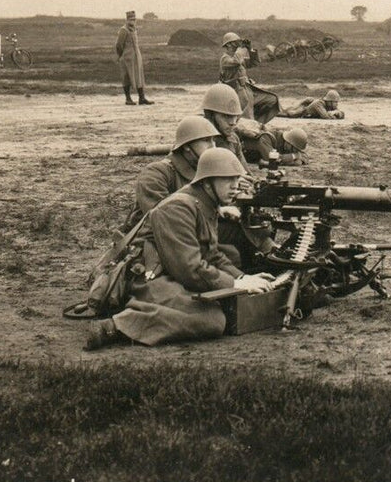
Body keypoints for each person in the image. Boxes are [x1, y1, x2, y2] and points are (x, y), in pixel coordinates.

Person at [85, 149, 276, 350]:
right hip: (148, 276)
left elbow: (212, 256)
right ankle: (116, 326)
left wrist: (242, 278)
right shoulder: (179, 207)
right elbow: (189, 268)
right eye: (228, 180)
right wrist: (236, 284)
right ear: (207, 181)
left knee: (229, 303)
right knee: (212, 319)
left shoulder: (205, 203)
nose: (235, 186)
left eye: (236, 179)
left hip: (172, 271)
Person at [130, 116, 221, 221]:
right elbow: (162, 217)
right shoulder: (156, 173)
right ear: (187, 146)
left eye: (213, 140)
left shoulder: (204, 171)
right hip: (154, 234)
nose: (213, 146)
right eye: (206, 140)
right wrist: (216, 210)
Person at [200, 83, 251, 167]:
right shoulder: (200, 141)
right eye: (226, 116)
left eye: (235, 117)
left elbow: (245, 172)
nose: (233, 122)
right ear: (210, 115)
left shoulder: (233, 139)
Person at [115, 11, 152, 106]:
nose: (133, 21)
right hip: (127, 59)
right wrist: (121, 55)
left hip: (136, 57)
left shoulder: (135, 30)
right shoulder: (123, 30)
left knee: (139, 77)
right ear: (127, 20)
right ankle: (128, 99)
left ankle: (142, 98)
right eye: (131, 19)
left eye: (134, 19)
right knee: (126, 77)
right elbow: (119, 45)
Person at [234, 122, 310, 166]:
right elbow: (271, 159)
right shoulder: (267, 137)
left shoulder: (285, 142)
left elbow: (304, 156)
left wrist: (297, 159)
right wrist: (294, 156)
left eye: (296, 150)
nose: (294, 151)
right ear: (288, 143)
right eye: (294, 149)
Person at [218, 32, 254, 117]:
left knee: (248, 113)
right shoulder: (225, 59)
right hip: (234, 91)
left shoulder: (238, 57)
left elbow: (254, 63)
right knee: (238, 114)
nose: (238, 44)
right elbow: (236, 62)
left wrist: (250, 49)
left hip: (244, 89)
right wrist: (241, 49)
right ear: (229, 45)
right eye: (235, 42)